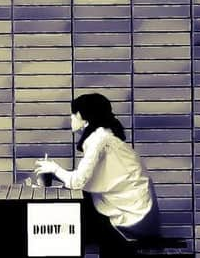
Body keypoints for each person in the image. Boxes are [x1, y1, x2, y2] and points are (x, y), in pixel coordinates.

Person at [34, 93, 161, 245]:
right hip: (140, 215)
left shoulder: (99, 139)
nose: (71, 117)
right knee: (75, 208)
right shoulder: (103, 136)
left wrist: (54, 169)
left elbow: (78, 182)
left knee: (67, 220)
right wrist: (54, 174)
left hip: (134, 219)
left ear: (86, 120)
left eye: (74, 113)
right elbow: (86, 179)